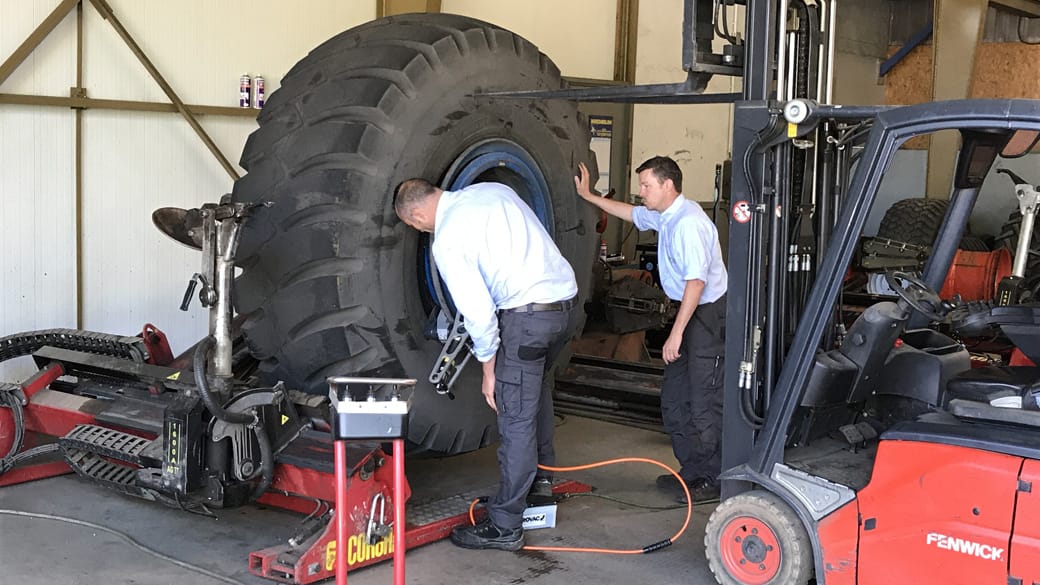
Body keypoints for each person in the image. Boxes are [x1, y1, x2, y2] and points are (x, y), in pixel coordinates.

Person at [394, 178, 579, 550]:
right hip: (564, 306)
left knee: (514, 416)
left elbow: (478, 315)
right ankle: (542, 482)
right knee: (536, 390)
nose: (419, 230)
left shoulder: (446, 239)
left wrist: (489, 370)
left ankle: (506, 523)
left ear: (416, 213)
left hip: (526, 319)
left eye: (414, 225)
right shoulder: (493, 190)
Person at [575, 156, 727, 504]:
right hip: (689, 311)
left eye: (646, 185)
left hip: (707, 314)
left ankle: (714, 478)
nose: (640, 192)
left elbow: (696, 283)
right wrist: (588, 196)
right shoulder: (665, 216)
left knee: (703, 401)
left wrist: (675, 333)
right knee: (674, 398)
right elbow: (630, 213)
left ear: (667, 185)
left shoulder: (689, 223)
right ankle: (692, 470)